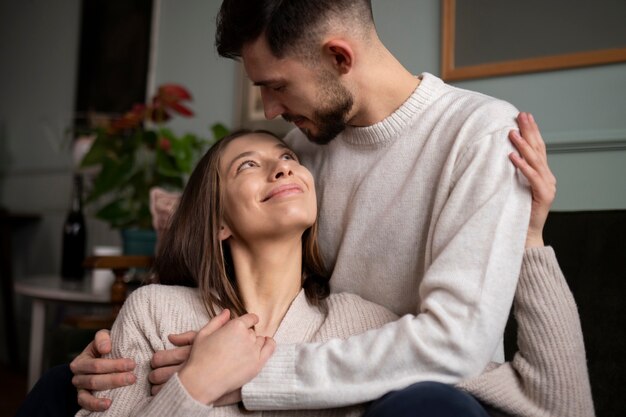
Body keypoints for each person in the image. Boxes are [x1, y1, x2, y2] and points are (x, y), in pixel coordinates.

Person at [51, 0, 568, 415]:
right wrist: (117, 362)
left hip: (419, 397)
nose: (272, 112)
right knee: (59, 386)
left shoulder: (478, 136)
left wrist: (250, 375)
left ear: (339, 58)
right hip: (297, 366)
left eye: (276, 86)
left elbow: (457, 347)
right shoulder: (300, 152)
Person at [70, 129, 592, 417]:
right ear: (220, 223)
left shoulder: (362, 325)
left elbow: (559, 406)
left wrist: (527, 241)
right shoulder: (159, 311)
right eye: (247, 165)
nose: (282, 167)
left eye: (288, 157)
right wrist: (195, 385)